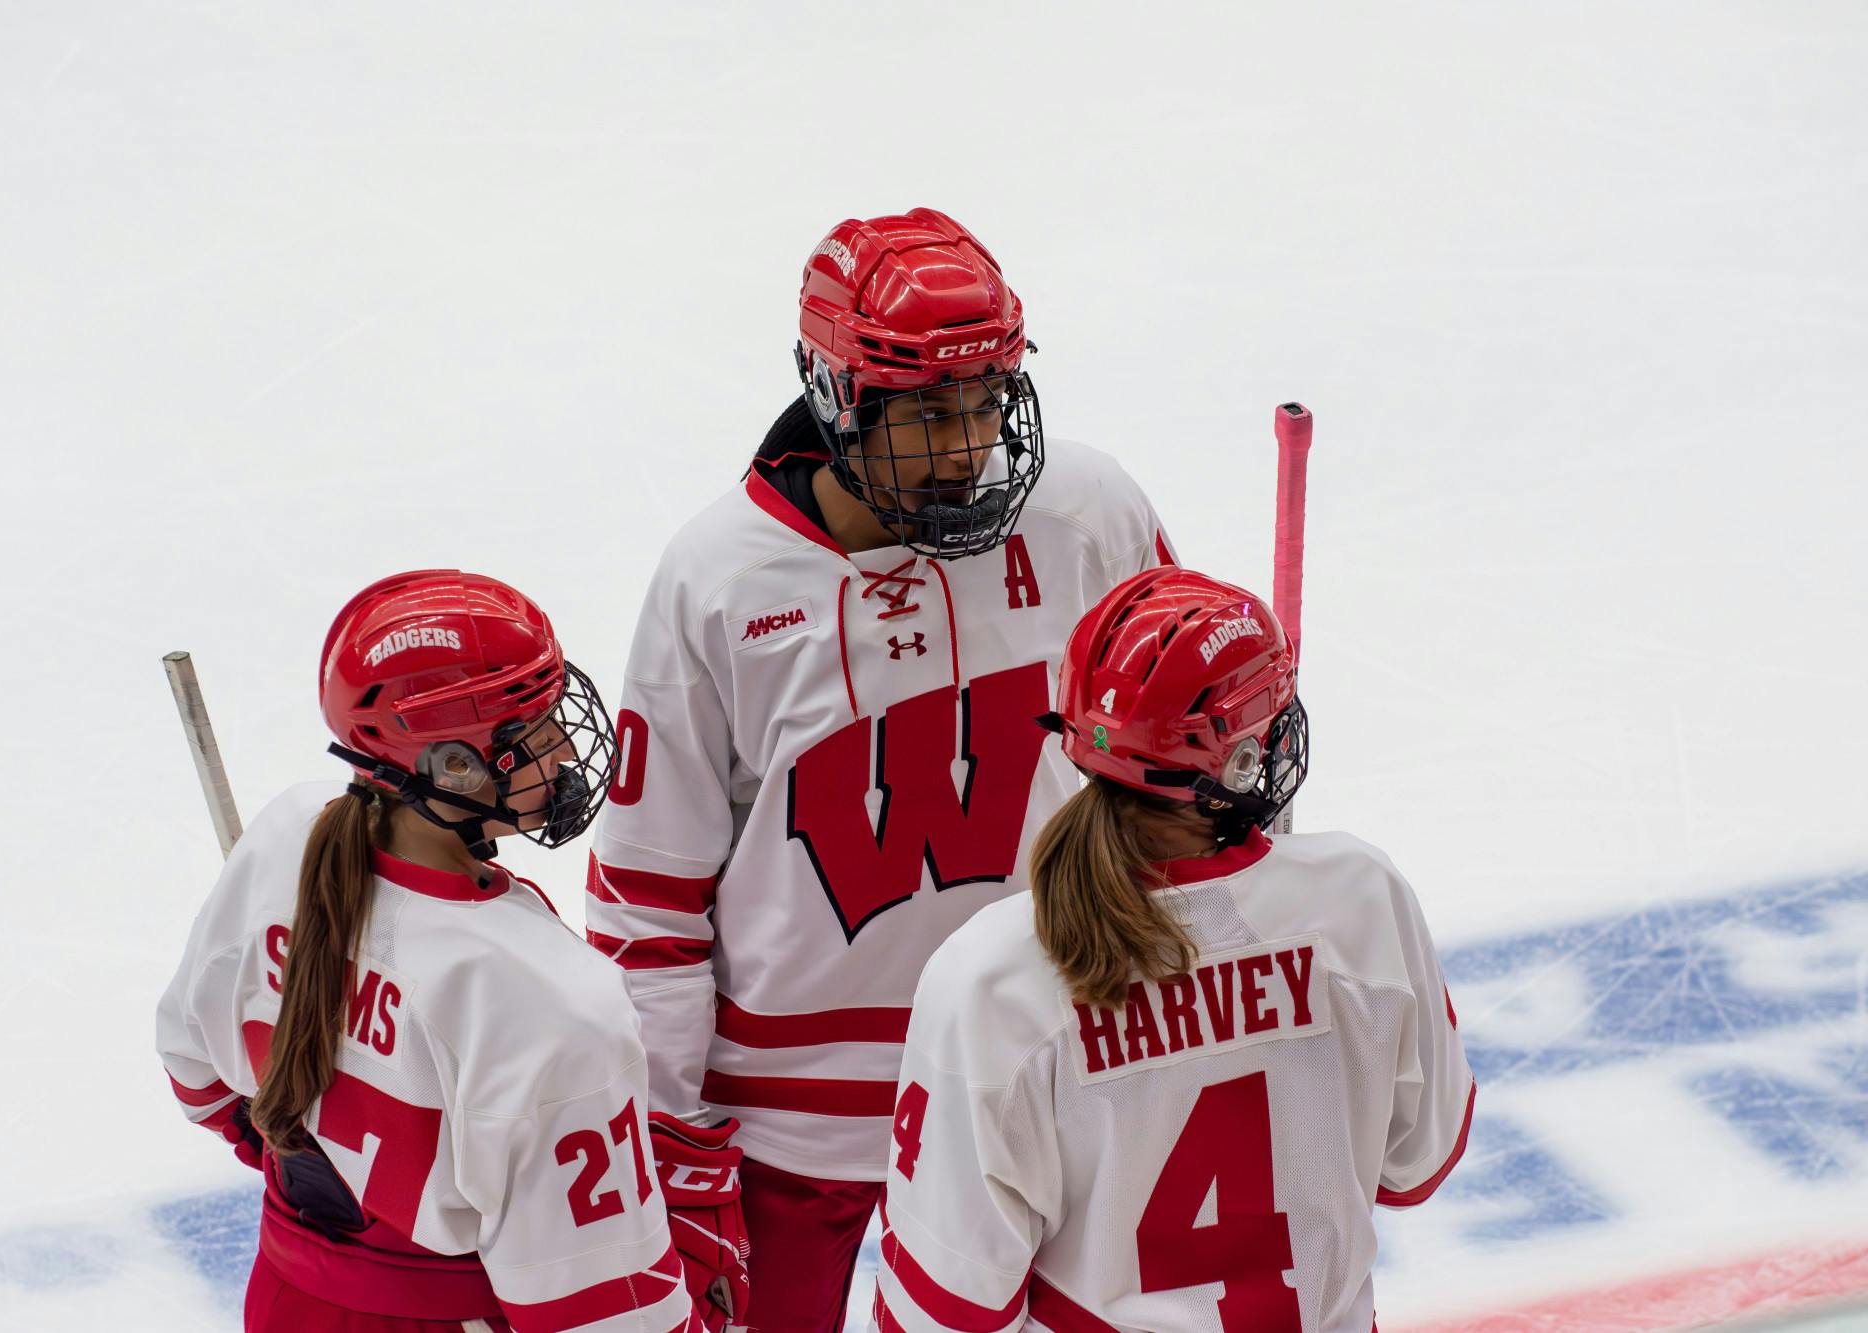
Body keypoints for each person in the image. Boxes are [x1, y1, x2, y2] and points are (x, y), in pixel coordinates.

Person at [586, 208, 1181, 1330]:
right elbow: (647, 894)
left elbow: (1192, 767)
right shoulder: (719, 579)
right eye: (926, 412)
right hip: (790, 1124)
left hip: (1046, 1064)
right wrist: (660, 1133)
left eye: (984, 401)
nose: (965, 447)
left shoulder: (1089, 512)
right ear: (835, 391)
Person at [873, 567, 1476, 1333]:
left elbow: (946, 1306)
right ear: (1239, 762)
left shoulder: (991, 974)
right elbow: (1416, 1164)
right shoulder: (1360, 896)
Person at [156, 570, 748, 1333]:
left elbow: (194, 1068)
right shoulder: (551, 995)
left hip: (289, 1296)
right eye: (534, 730)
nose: (567, 745)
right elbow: (602, 1309)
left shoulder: (286, 838)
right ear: (453, 768)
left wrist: (330, 1183)